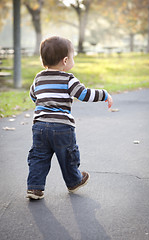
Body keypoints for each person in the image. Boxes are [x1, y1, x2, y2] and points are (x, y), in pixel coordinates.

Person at [26, 36, 113, 200]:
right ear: (65, 60)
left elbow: (33, 96)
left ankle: (35, 188)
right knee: (68, 156)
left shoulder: (38, 78)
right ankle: (74, 181)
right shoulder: (68, 79)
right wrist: (104, 94)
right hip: (62, 128)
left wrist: (44, 104)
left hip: (39, 127)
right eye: (73, 57)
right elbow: (84, 94)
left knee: (38, 157)